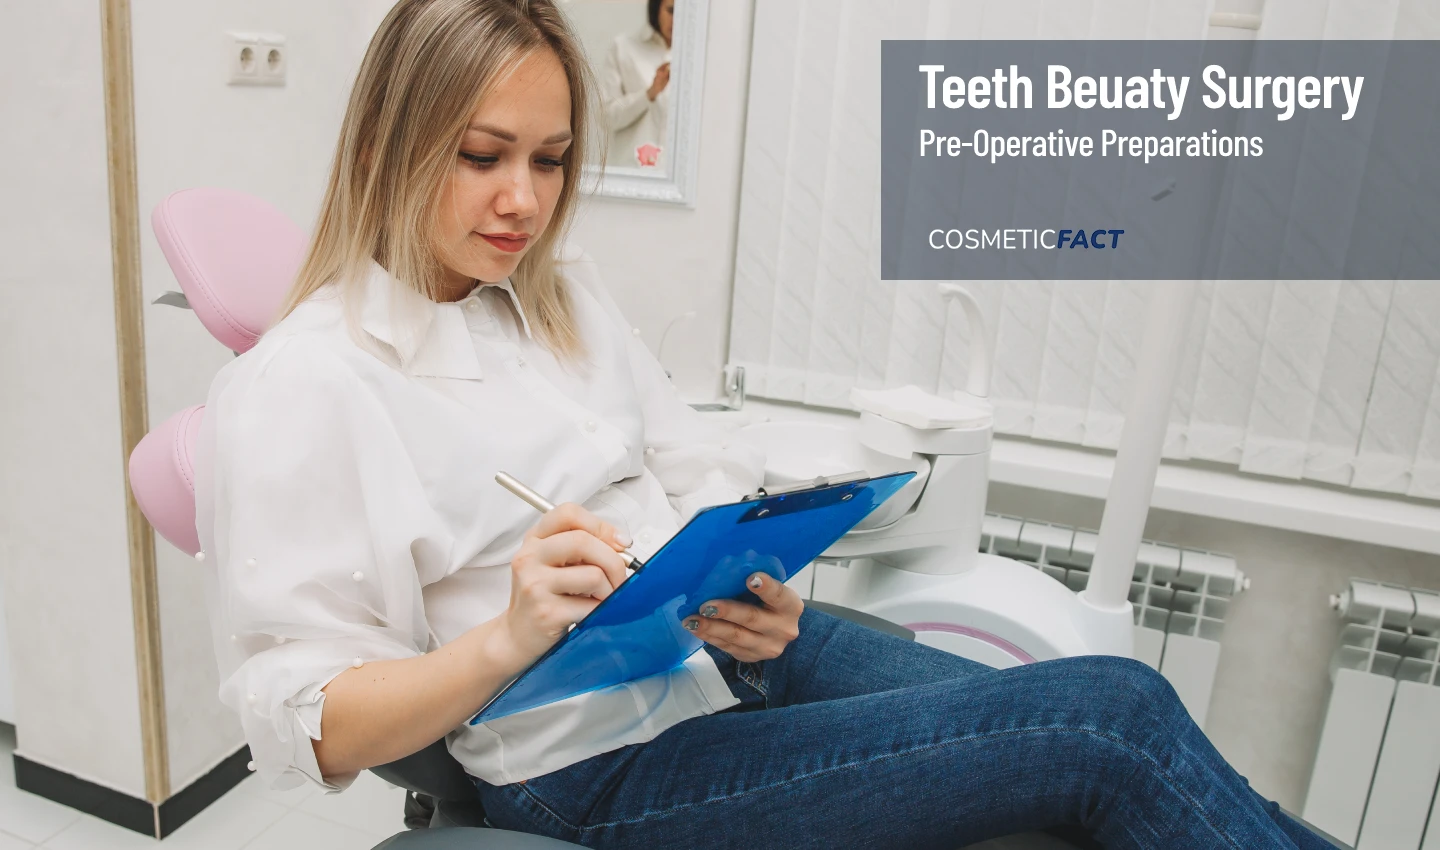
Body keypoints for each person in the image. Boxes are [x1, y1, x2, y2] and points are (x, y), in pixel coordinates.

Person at [195, 1, 1334, 847]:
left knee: (1119, 718)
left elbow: (688, 464)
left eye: (549, 161)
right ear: (391, 144)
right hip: (599, 765)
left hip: (732, 655)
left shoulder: (557, 293)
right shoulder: (312, 384)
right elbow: (308, 717)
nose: (525, 202)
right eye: (483, 157)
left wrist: (747, 561)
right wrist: (506, 636)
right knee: (1112, 719)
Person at [597, 0, 673, 168]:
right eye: (671, 10)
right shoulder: (624, 49)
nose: (677, 20)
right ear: (656, 7)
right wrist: (649, 94)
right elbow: (607, 118)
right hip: (630, 174)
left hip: (678, 180)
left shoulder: (698, 63)